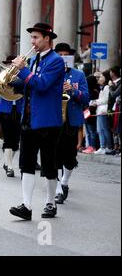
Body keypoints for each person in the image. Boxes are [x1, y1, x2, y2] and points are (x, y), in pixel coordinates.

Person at [9, 22, 65, 220]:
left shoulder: (56, 61)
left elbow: (41, 85)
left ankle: (50, 203)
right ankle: (26, 204)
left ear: (47, 39)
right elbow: (27, 85)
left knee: (49, 164)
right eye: (31, 37)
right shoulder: (32, 61)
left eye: (36, 38)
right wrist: (9, 80)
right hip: (29, 119)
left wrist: (23, 71)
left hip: (48, 121)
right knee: (26, 163)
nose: (32, 41)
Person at [53, 43, 89, 204]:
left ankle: (64, 181)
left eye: (65, 55)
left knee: (69, 157)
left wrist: (72, 91)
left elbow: (86, 98)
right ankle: (58, 190)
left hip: (72, 119)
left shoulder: (78, 75)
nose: (62, 57)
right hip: (53, 119)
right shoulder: (51, 73)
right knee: (54, 155)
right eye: (58, 54)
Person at [0, 55, 24, 178]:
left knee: (15, 140)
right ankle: (9, 166)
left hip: (18, 110)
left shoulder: (22, 76)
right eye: (10, 64)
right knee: (8, 138)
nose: (11, 66)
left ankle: (6, 162)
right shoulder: (3, 75)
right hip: (5, 110)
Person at [90, 70, 112, 154]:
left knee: (104, 129)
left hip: (103, 110)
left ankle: (108, 147)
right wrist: (95, 101)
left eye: (101, 76)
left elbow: (105, 100)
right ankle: (102, 146)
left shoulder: (106, 87)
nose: (99, 78)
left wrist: (96, 102)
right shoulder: (103, 88)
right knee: (99, 129)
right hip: (99, 110)